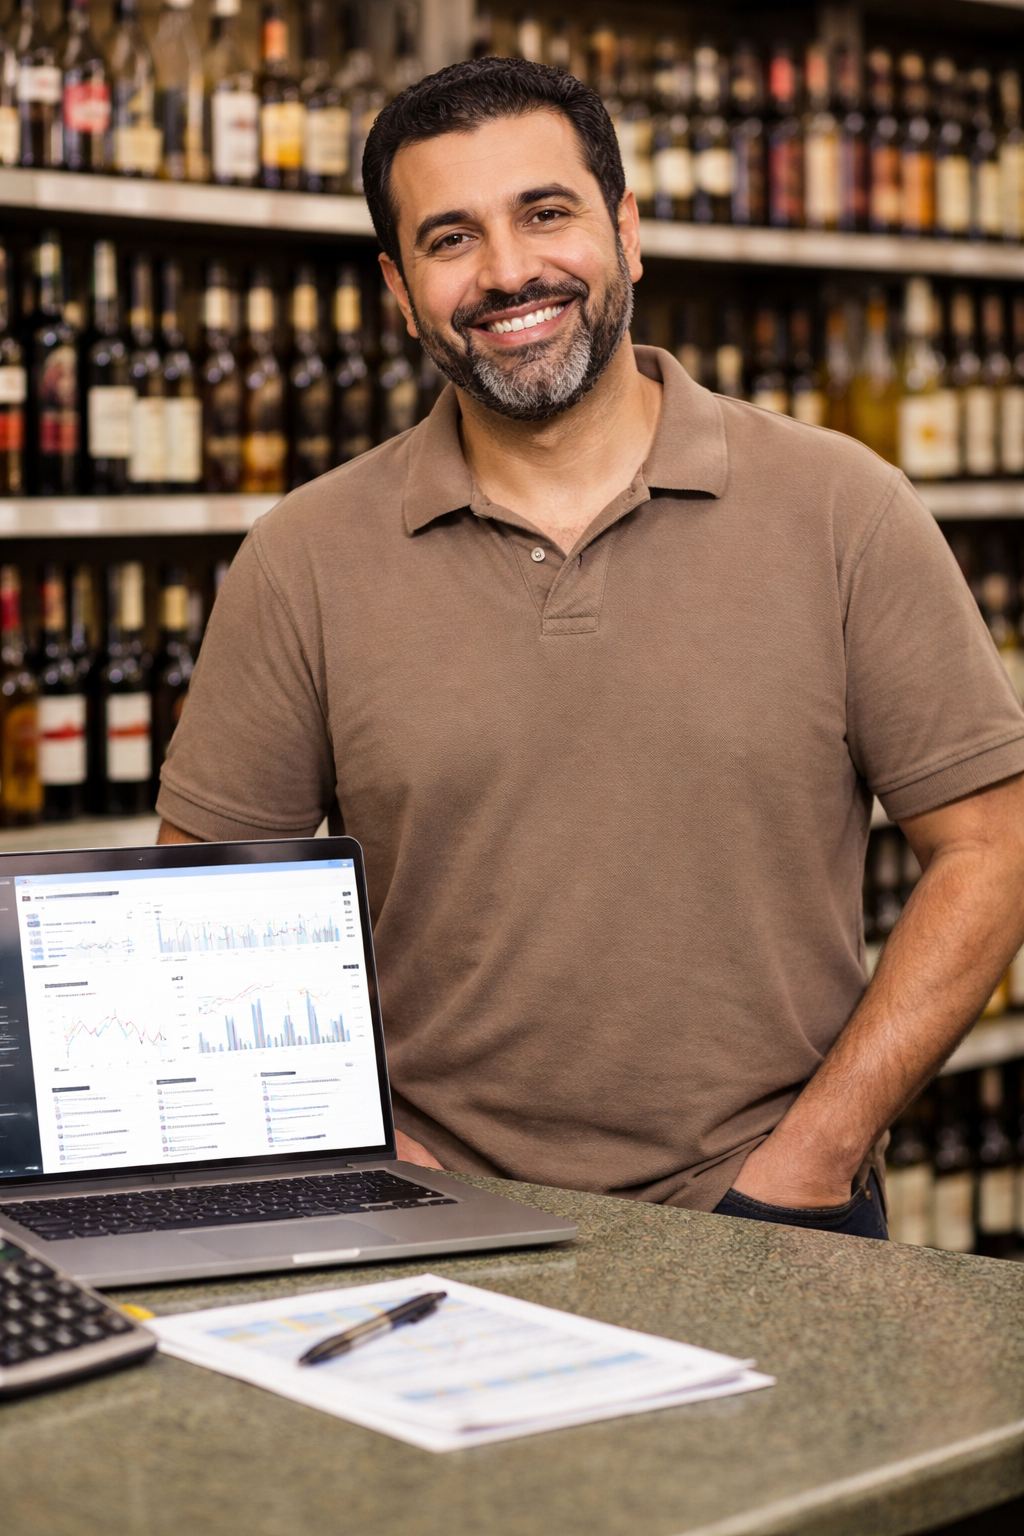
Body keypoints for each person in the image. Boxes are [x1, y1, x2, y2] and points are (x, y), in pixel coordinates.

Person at [156, 58, 1024, 1239]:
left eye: (545, 213)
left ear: (626, 232)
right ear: (400, 291)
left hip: (772, 1220)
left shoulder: (841, 508)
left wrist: (814, 1157)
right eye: (450, 238)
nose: (507, 271)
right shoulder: (300, 558)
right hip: (431, 1222)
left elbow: (992, 846)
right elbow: (202, 917)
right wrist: (370, 1147)